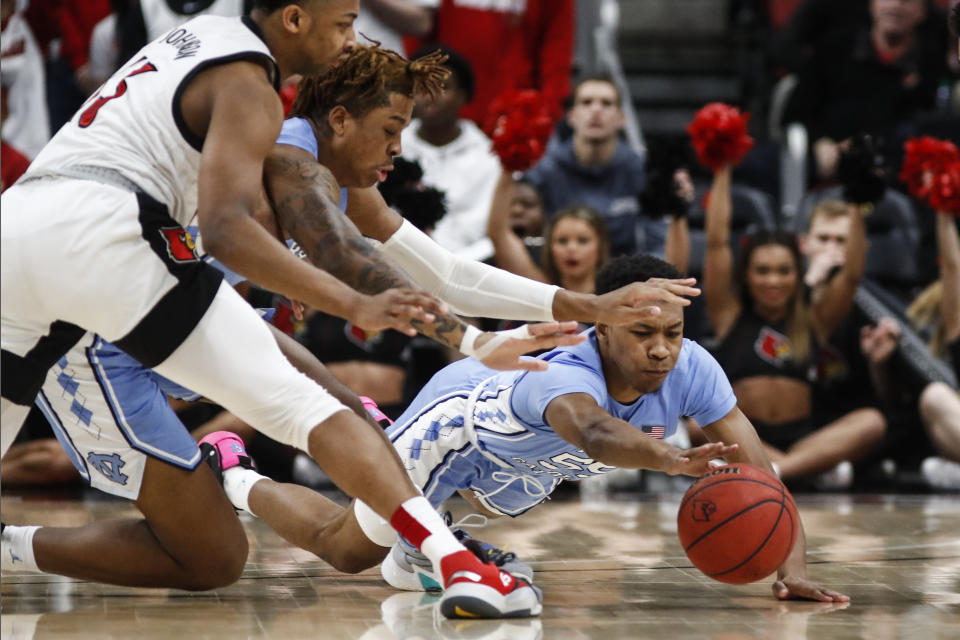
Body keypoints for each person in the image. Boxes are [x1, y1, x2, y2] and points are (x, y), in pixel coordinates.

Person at [2, 32, 694, 621]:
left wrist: (588, 305)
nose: (400, 147)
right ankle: (446, 558)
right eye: (391, 130)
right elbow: (343, 257)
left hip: (167, 327)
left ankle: (10, 542)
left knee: (215, 558)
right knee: (231, 529)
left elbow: (446, 273)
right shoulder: (284, 158)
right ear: (338, 119)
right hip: (94, 342)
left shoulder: (342, 179)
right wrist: (472, 342)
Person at [200, 255, 850, 605]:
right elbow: (593, 434)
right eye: (642, 333)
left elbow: (759, 471)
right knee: (347, 551)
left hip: (511, 476)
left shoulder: (694, 367)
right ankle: (232, 472)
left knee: (435, 544)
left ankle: (415, 515)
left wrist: (786, 568)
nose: (661, 350)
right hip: (451, 434)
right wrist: (668, 459)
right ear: (602, 328)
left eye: (672, 334)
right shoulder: (563, 367)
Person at [702, 165, 886, 487]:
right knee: (694, 423)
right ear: (746, 275)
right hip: (745, 432)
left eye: (784, 270)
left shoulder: (813, 318)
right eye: (763, 270)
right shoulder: (729, 314)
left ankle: (774, 469)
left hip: (803, 436)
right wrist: (724, 170)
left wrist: (856, 203)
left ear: (797, 274)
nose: (773, 280)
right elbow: (716, 243)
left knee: (871, 422)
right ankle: (802, 469)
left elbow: (852, 273)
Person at [524, 74, 654, 258]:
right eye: (586, 102)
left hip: (625, 274)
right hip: (558, 278)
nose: (596, 110)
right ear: (571, 116)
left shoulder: (642, 170)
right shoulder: (544, 171)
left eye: (606, 103)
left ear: (621, 118)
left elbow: (659, 243)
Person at [399, 45, 500, 261]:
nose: (431, 96)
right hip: (400, 262)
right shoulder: (391, 148)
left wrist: (455, 266)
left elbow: (492, 230)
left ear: (464, 95)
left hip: (474, 267)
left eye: (443, 87)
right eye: (422, 87)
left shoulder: (489, 156)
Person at [402, 0, 573, 126]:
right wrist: (411, 93)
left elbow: (557, 47)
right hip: (443, 111)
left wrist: (549, 111)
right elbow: (417, 36)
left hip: (515, 115)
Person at [487, 171, 610, 294]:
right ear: (550, 248)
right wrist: (508, 169)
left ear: (601, 246)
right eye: (562, 241)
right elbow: (499, 234)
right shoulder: (540, 290)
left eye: (583, 240)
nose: (571, 248)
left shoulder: (618, 296)